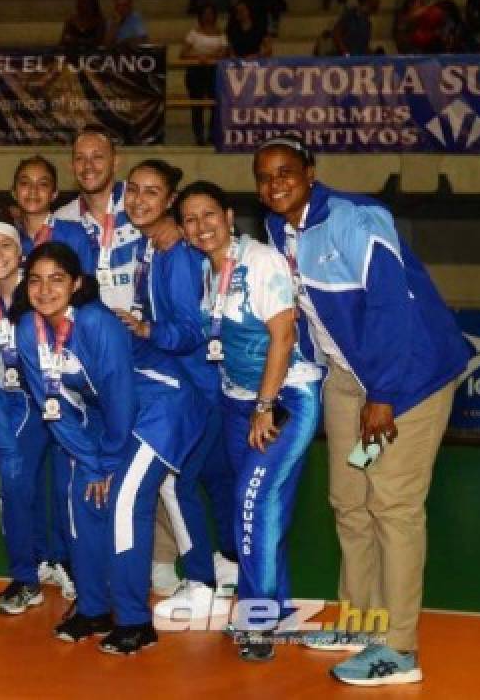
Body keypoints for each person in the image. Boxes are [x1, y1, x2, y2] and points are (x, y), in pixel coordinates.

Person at [253, 134, 471, 685]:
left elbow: (390, 305)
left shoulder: (358, 218)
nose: (274, 184)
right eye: (264, 176)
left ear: (310, 171)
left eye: (285, 172)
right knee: (349, 503)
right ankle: (359, 623)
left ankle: (399, 650)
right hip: (346, 375)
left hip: (408, 375)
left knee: (393, 505)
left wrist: (385, 393)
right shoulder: (279, 229)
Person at [176, 179, 324, 661]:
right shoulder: (206, 269)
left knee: (250, 500)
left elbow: (282, 335)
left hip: (285, 400)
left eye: (208, 215)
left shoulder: (260, 261)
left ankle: (256, 620)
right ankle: (274, 611)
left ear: (227, 215)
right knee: (266, 509)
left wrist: (264, 408)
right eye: (191, 219)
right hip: (236, 402)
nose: (201, 226)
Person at [113, 160, 236, 623]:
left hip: (199, 390)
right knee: (215, 480)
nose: (140, 200)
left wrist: (147, 329)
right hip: (192, 386)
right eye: (134, 191)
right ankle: (226, 567)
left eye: (153, 192)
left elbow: (192, 329)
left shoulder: (179, 255)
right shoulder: (155, 248)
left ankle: (202, 581)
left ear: (169, 201)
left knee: (174, 482)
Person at [8, 243, 132, 643]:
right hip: (84, 418)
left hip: (140, 413)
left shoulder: (97, 324)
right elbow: (52, 404)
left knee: (114, 502)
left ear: (76, 283)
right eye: (35, 280)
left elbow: (121, 397)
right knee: (73, 501)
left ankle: (125, 604)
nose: (44, 290)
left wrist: (106, 462)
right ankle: (93, 606)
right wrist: (89, 461)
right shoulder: (28, 329)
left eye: (56, 279)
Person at [0, 208, 52, 615]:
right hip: (8, 403)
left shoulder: (41, 290)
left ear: (21, 252)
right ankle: (26, 577)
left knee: (59, 488)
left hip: (52, 399)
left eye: (4, 246)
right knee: (14, 484)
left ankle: (57, 561)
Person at [55, 124, 142, 313]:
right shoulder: (62, 220)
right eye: (80, 158)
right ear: (71, 166)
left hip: (147, 332)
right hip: (95, 333)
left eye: (97, 157)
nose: (88, 166)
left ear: (116, 161)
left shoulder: (140, 200)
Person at [179, 4, 228, 147]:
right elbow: (183, 53)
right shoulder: (194, 33)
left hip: (215, 71)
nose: (208, 16)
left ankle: (213, 135)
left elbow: (225, 52)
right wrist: (198, 57)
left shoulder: (221, 33)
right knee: (196, 105)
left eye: (210, 13)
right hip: (196, 70)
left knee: (215, 105)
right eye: (205, 13)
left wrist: (212, 57)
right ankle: (199, 135)